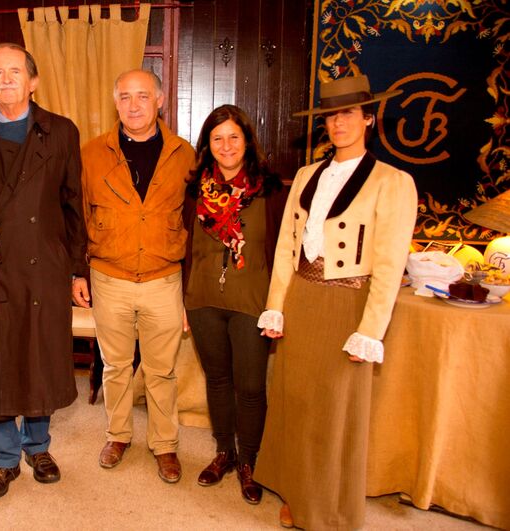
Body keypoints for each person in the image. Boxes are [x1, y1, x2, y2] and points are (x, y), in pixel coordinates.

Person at [254, 75, 418, 529]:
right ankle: (297, 492)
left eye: (349, 113)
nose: (339, 122)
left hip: (348, 303)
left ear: (368, 118)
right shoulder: (308, 175)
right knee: (295, 401)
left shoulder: (393, 182)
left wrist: (369, 330)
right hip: (302, 298)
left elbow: (389, 266)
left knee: (334, 410)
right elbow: (287, 248)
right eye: (331, 114)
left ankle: (327, 508)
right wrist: (276, 305)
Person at [0, 43, 87, 500]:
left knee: (40, 356)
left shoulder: (61, 131)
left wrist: (77, 269)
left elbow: (73, 206)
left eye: (15, 71)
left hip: (43, 266)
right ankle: (3, 459)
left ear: (33, 80)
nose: (6, 79)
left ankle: (39, 447)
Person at [79, 69, 195, 483]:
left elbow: (195, 221)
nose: (133, 105)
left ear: (159, 100)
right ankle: (118, 435)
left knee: (163, 370)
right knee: (116, 364)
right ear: (116, 103)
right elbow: (78, 216)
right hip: (108, 276)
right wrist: (79, 272)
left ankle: (165, 445)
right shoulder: (91, 154)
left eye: (142, 96)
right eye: (125, 97)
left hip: (164, 279)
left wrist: (190, 288)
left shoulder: (185, 154)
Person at [183, 105, 286, 503]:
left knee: (250, 387)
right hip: (203, 299)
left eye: (233, 137)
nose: (226, 146)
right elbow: (186, 249)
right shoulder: (195, 191)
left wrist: (280, 305)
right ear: (207, 145)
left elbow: (281, 251)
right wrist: (182, 299)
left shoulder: (272, 190)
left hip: (252, 302)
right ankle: (224, 453)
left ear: (247, 141)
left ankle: (250, 462)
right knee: (218, 381)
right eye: (217, 138)